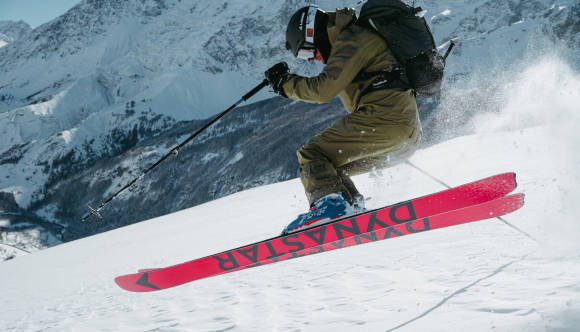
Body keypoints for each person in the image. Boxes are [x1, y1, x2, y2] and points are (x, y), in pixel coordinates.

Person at [265, 5, 422, 234]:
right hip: (401, 132)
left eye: (307, 52)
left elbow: (323, 90)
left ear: (315, 35)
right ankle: (350, 205)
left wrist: (285, 84)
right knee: (328, 166)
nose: (311, 60)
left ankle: (331, 207)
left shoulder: (352, 39)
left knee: (312, 154)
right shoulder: (351, 40)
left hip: (387, 122)